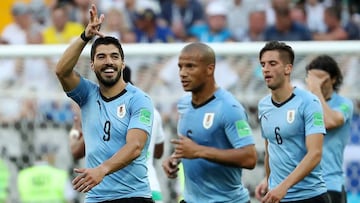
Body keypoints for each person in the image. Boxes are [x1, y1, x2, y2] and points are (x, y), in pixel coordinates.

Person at [55, 4, 154, 203]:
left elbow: (135, 147)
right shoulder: (87, 94)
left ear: (122, 63)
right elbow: (62, 71)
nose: (108, 61)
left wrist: (102, 170)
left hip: (133, 197)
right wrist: (85, 36)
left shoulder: (139, 99)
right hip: (96, 198)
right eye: (101, 57)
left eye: (114, 57)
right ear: (92, 65)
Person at [161, 42, 257, 203]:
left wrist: (198, 151)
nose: (183, 73)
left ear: (209, 69)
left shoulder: (229, 107)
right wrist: (174, 158)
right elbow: (192, 145)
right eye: (180, 67)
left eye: (190, 67)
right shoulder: (184, 104)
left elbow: (250, 157)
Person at [68, 66, 166, 203]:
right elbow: (159, 152)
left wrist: (74, 131)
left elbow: (77, 151)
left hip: (113, 190)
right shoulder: (151, 111)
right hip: (150, 186)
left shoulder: (102, 113)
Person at [255, 41, 329, 203]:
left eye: (272, 63)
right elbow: (270, 148)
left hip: (310, 196)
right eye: (263, 64)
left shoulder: (309, 102)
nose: (266, 69)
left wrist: (284, 187)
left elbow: (315, 154)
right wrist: (268, 180)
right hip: (278, 196)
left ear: (288, 68)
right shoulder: (263, 105)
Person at [305, 55, 354, 203]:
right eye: (312, 78)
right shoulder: (303, 104)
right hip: (304, 186)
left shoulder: (344, 103)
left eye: (320, 78)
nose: (316, 83)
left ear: (333, 79)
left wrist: (316, 91)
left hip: (330, 184)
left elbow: (330, 121)